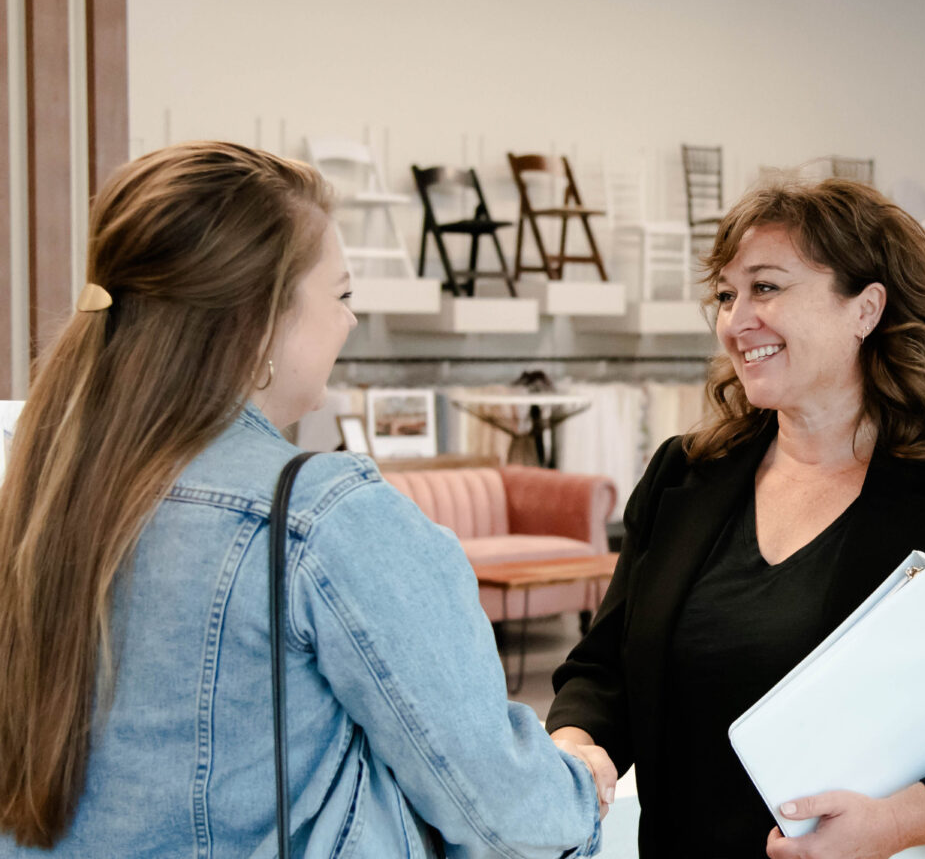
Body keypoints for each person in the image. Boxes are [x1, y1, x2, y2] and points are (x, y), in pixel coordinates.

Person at [0, 142, 615, 858]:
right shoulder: (322, 516)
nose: (351, 321)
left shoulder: (42, 496)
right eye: (343, 295)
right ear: (263, 318)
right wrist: (580, 785)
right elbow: (504, 810)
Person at [547, 177, 925, 858]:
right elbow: (604, 668)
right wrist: (578, 745)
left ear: (865, 309)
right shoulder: (684, 475)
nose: (737, 320)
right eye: (725, 293)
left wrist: (898, 823)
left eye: (766, 288)